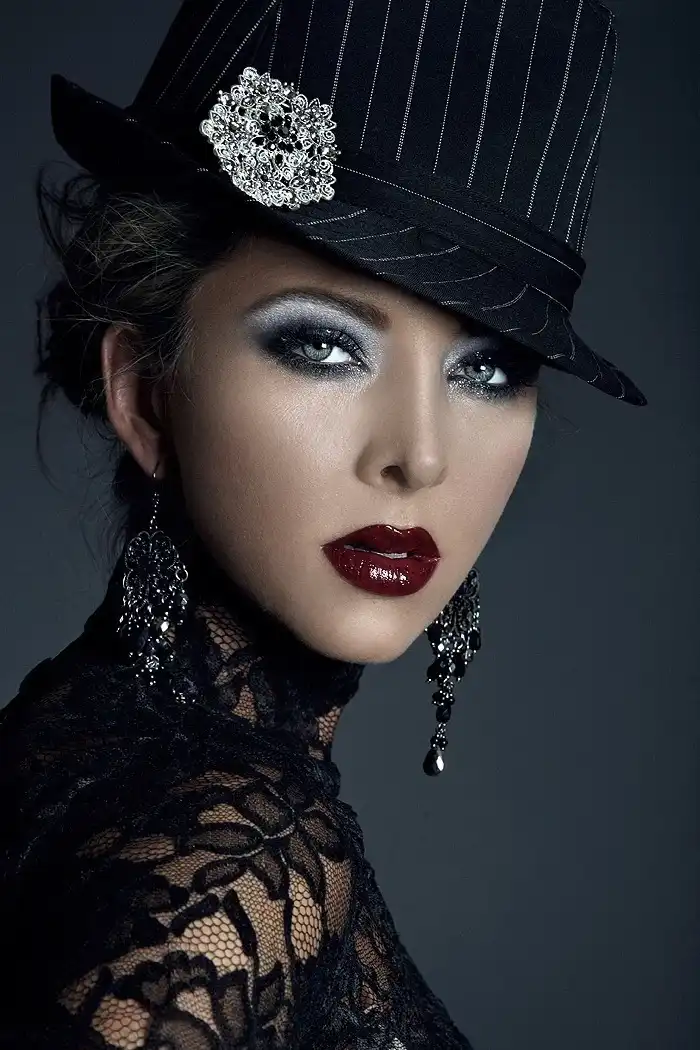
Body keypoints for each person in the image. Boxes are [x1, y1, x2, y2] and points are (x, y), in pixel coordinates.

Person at [0, 0, 647, 1047]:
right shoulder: (235, 859)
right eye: (325, 346)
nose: (420, 456)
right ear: (145, 393)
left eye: (487, 371)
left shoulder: (73, 754)